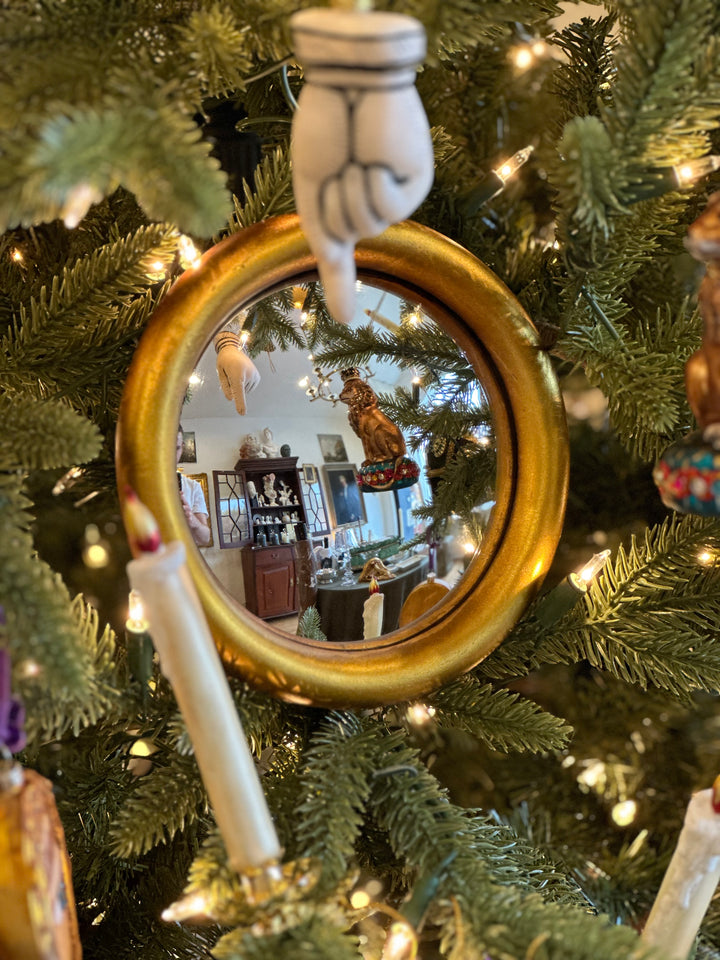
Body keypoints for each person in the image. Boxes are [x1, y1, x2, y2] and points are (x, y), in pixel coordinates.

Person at [176, 427, 211, 546]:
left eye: (176, 448)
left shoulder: (193, 487)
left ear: (183, 447)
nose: (170, 455)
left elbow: (205, 538)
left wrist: (192, 520)